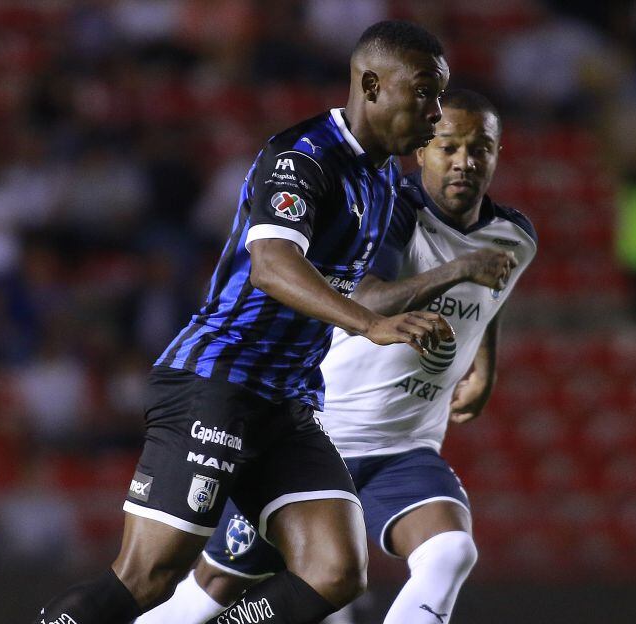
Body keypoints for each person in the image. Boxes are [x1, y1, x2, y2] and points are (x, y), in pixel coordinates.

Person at [33, 20, 451, 624]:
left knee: (336, 570)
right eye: (424, 92)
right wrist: (367, 325)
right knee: (149, 577)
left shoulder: (384, 177)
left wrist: (417, 299)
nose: (436, 111)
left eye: (441, 96)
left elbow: (342, 284)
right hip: (219, 378)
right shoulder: (304, 156)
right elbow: (273, 267)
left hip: (285, 401)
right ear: (371, 83)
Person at [138, 89, 537, 624]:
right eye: (449, 147)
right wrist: (456, 270)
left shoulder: (513, 236)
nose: (465, 161)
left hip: (405, 445)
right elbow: (365, 297)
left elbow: (493, 291)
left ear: (497, 153)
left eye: (480, 148)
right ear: (422, 152)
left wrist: (484, 366)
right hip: (317, 436)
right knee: (215, 589)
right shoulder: (392, 210)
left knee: (450, 551)